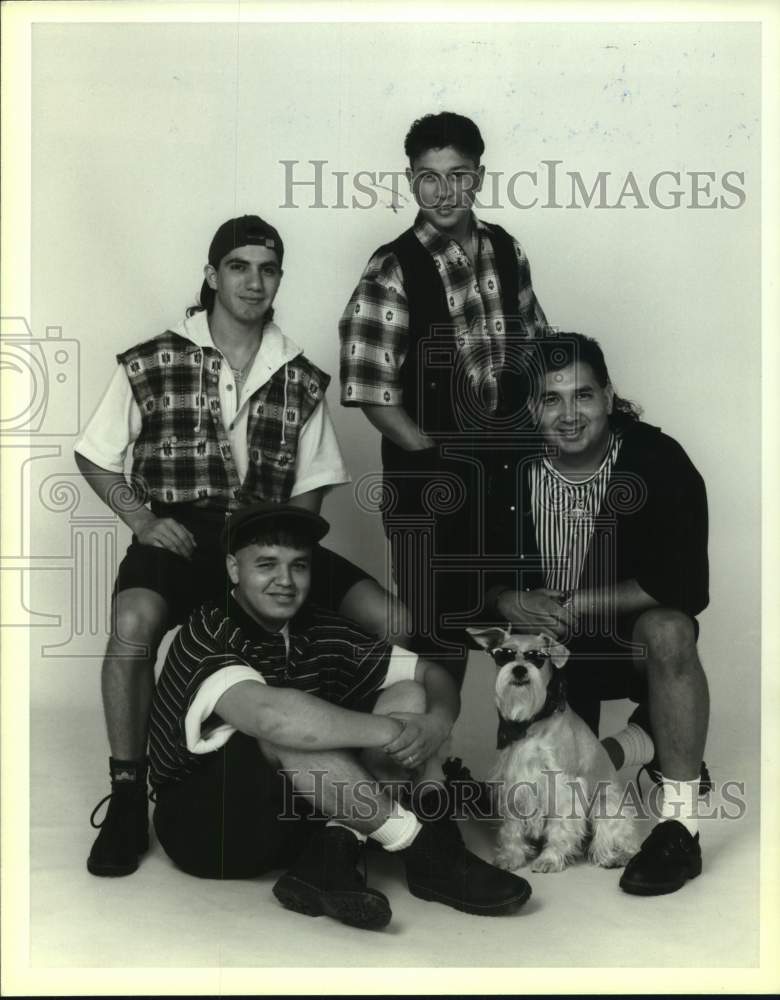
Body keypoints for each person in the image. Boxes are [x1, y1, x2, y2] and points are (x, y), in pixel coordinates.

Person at [74, 215, 411, 878]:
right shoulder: (154, 359)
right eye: (238, 267)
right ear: (212, 275)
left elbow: (310, 491)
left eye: (267, 269)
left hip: (265, 538)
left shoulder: (300, 376)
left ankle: (362, 776)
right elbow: (94, 454)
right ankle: (127, 795)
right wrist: (142, 521)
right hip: (181, 534)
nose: (254, 282)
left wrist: (282, 560)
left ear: (279, 278)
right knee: (133, 623)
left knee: (393, 619)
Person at [150, 501, 532, 929]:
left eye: (298, 565)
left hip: (291, 817)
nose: (285, 581)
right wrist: (395, 731)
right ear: (234, 569)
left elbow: (430, 673)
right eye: (266, 564)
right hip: (207, 829)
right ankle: (424, 850)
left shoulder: (316, 626)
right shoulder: (209, 629)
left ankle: (332, 852)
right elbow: (274, 719)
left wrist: (436, 723)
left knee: (407, 691)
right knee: (290, 729)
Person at [483, 331, 711, 896]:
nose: (568, 415)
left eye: (583, 395)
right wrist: (507, 599)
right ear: (531, 407)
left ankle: (680, 824)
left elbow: (686, 582)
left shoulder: (657, 459)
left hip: (620, 638)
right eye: (551, 399)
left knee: (671, 630)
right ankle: (640, 742)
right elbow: (463, 562)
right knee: (566, 787)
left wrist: (580, 601)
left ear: (608, 396)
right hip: (545, 643)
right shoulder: (506, 466)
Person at [339, 111, 548, 693]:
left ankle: (531, 753)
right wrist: (428, 452)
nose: (444, 191)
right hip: (431, 489)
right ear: (412, 181)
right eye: (429, 177)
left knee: (527, 643)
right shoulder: (392, 266)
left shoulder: (506, 250)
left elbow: (536, 349)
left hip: (509, 484)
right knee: (438, 641)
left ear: (478, 176)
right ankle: (430, 753)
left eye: (458, 175)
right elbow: (369, 387)